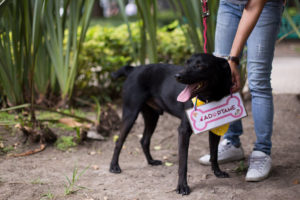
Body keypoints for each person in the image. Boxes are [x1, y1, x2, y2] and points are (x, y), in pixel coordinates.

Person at [198, 0, 284, 181]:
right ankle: (232, 142)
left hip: (264, 6)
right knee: (222, 76)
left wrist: (233, 59)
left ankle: (262, 151)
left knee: (258, 80)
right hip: (228, 4)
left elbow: (254, 6)